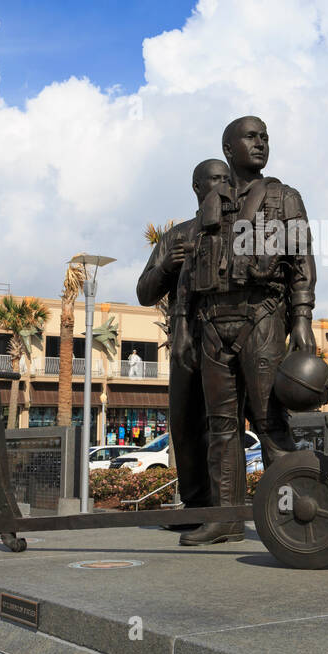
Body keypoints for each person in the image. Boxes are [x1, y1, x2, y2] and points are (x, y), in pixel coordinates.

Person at [182, 117, 317, 546]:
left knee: (271, 422)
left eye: (265, 138)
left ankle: (302, 514)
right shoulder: (211, 203)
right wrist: (185, 328)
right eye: (251, 137)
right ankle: (224, 519)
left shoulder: (283, 197)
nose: (261, 144)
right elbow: (190, 272)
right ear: (228, 147)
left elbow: (302, 261)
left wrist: (302, 319)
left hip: (261, 316)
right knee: (220, 426)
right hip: (211, 325)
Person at [136, 158, 234, 517]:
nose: (223, 185)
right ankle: (196, 505)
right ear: (197, 186)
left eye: (228, 178)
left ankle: (227, 510)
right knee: (184, 422)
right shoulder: (177, 235)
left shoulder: (243, 233)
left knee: (224, 423)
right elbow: (144, 293)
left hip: (229, 341)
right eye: (215, 179)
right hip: (186, 341)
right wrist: (165, 267)